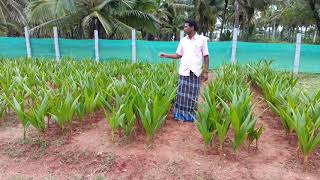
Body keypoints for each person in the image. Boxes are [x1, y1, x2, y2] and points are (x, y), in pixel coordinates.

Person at [160, 19, 210, 122]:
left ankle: (190, 116)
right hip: (184, 71)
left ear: (192, 27)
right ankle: (179, 116)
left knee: (192, 94)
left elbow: (206, 56)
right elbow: (178, 55)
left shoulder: (202, 40)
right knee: (181, 95)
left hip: (195, 72)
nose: (184, 28)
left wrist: (206, 72)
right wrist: (166, 55)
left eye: (186, 26)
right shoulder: (183, 41)